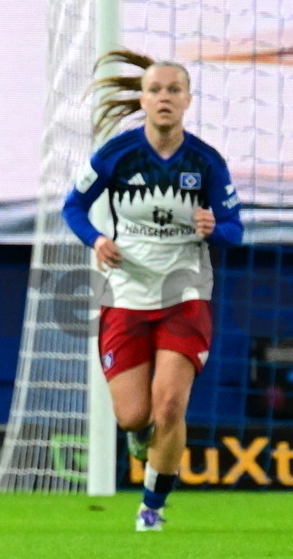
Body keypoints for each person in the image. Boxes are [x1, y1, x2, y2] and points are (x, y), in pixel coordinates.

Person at [62, 49, 243, 532]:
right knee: (132, 415)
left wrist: (214, 228)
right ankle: (138, 438)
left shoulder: (205, 161)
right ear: (143, 99)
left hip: (186, 294)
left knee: (169, 405)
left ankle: (151, 508)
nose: (164, 98)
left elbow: (234, 229)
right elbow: (73, 206)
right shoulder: (117, 155)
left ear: (187, 99)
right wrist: (97, 239)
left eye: (173, 90)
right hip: (126, 297)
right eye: (156, 90)